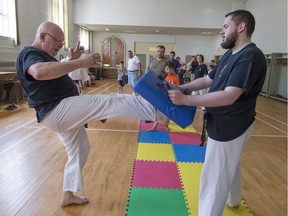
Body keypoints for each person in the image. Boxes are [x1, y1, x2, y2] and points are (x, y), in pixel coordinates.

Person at [16, 21, 167, 207]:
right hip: (58, 110)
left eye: (62, 43)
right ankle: (156, 112)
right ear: (42, 36)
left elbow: (54, 75)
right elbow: (39, 72)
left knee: (80, 150)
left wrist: (72, 59)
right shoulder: (29, 54)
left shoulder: (45, 56)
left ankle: (68, 194)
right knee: (110, 101)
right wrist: (80, 62)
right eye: (58, 42)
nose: (60, 47)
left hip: (60, 112)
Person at [167, 10, 267, 216]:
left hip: (231, 124)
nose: (221, 31)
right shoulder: (231, 54)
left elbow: (230, 96)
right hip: (222, 122)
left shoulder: (250, 57)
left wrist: (188, 100)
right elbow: (208, 80)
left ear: (241, 27)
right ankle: (234, 199)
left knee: (214, 177)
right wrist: (184, 88)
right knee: (230, 160)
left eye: (225, 26)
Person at [147, 61, 178, 131]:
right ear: (165, 69)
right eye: (167, 69)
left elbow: (177, 87)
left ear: (173, 69)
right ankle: (154, 127)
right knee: (159, 112)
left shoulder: (175, 78)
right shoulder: (162, 76)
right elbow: (157, 84)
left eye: (170, 69)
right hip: (162, 96)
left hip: (170, 97)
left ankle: (166, 126)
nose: (169, 70)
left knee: (168, 113)